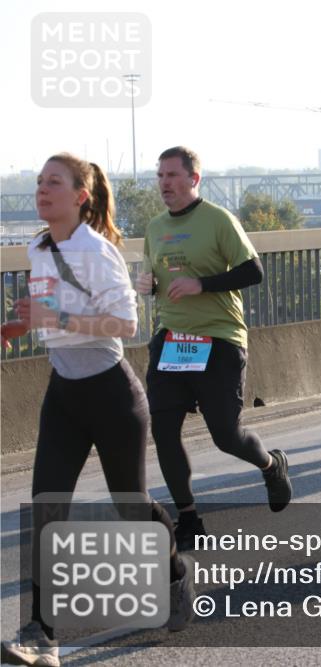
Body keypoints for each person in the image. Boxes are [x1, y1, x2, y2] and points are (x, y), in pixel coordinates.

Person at [1, 154, 194, 667]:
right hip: (63, 393)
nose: (42, 191)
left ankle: (173, 569)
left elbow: (126, 324)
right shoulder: (39, 248)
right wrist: (24, 326)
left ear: (80, 196)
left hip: (111, 394)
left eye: (54, 183)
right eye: (39, 182)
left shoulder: (99, 251)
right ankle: (42, 633)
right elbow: (46, 310)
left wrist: (56, 315)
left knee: (131, 508)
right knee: (47, 508)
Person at [137, 146, 291, 551]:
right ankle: (188, 518)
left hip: (219, 339)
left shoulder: (219, 220)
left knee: (225, 435)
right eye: (160, 176)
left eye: (172, 175)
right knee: (165, 430)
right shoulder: (154, 228)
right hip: (172, 339)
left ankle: (271, 465)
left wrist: (202, 284)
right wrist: (148, 285)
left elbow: (253, 270)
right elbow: (156, 276)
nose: (164, 183)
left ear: (193, 179)